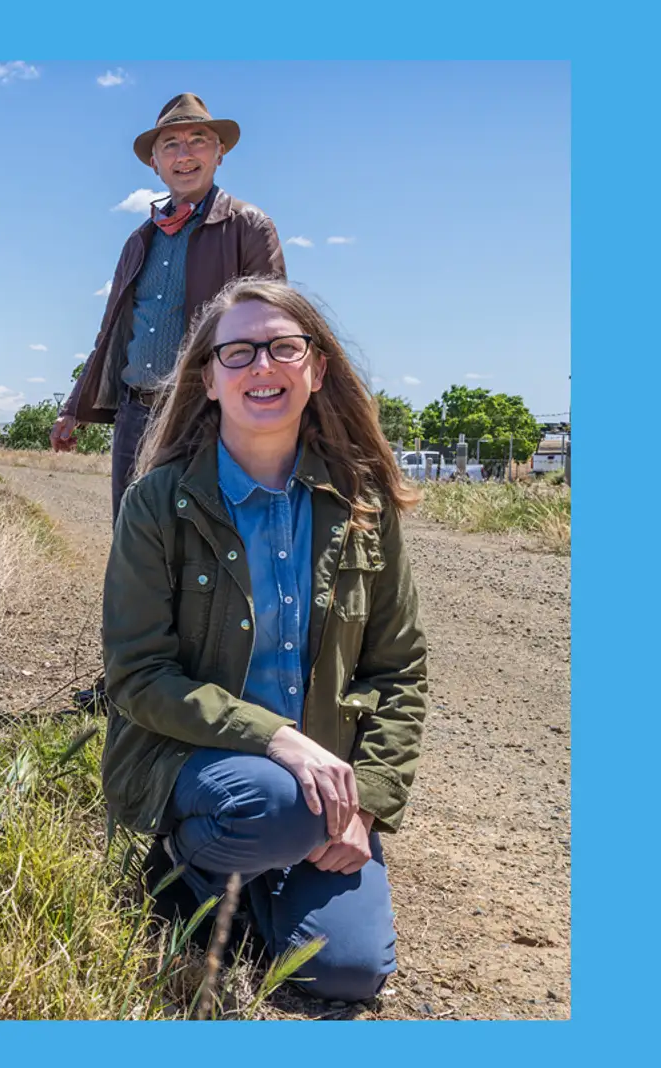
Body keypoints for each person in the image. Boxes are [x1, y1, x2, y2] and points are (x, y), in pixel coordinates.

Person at [100, 277, 428, 1004]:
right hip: (201, 769)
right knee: (277, 806)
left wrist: (365, 802)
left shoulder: (362, 500)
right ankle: (196, 865)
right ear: (209, 379)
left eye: (285, 347)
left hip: (326, 792)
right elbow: (138, 675)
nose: (262, 366)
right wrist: (276, 738)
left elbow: (400, 668)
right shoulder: (157, 504)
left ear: (316, 369)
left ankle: (267, 870)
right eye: (239, 351)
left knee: (345, 973)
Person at [51, 93, 287, 522]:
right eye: (171, 145)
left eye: (198, 140)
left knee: (205, 543)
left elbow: (272, 331)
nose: (185, 155)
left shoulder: (248, 227)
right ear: (155, 164)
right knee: (134, 538)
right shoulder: (139, 241)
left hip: (210, 417)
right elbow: (111, 333)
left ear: (220, 153)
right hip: (135, 415)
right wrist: (73, 407)